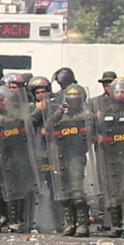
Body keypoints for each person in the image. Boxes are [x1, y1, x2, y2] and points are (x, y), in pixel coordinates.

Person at [87, 71, 124, 238]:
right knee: (111, 190)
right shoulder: (103, 112)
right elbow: (91, 130)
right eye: (117, 91)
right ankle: (115, 225)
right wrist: (97, 136)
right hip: (108, 156)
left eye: (123, 91)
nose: (120, 94)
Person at [43, 68, 92, 235]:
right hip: (60, 154)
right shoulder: (61, 115)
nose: (73, 102)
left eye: (76, 99)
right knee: (63, 191)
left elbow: (92, 127)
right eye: (70, 99)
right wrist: (59, 111)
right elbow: (47, 127)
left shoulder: (86, 114)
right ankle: (70, 223)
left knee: (77, 190)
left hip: (76, 155)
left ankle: (83, 224)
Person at [0, 82, 36, 231]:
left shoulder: (11, 116)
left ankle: (14, 220)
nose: (3, 103)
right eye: (0, 100)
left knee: (13, 187)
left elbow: (21, 126)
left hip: (10, 155)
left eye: (4, 100)